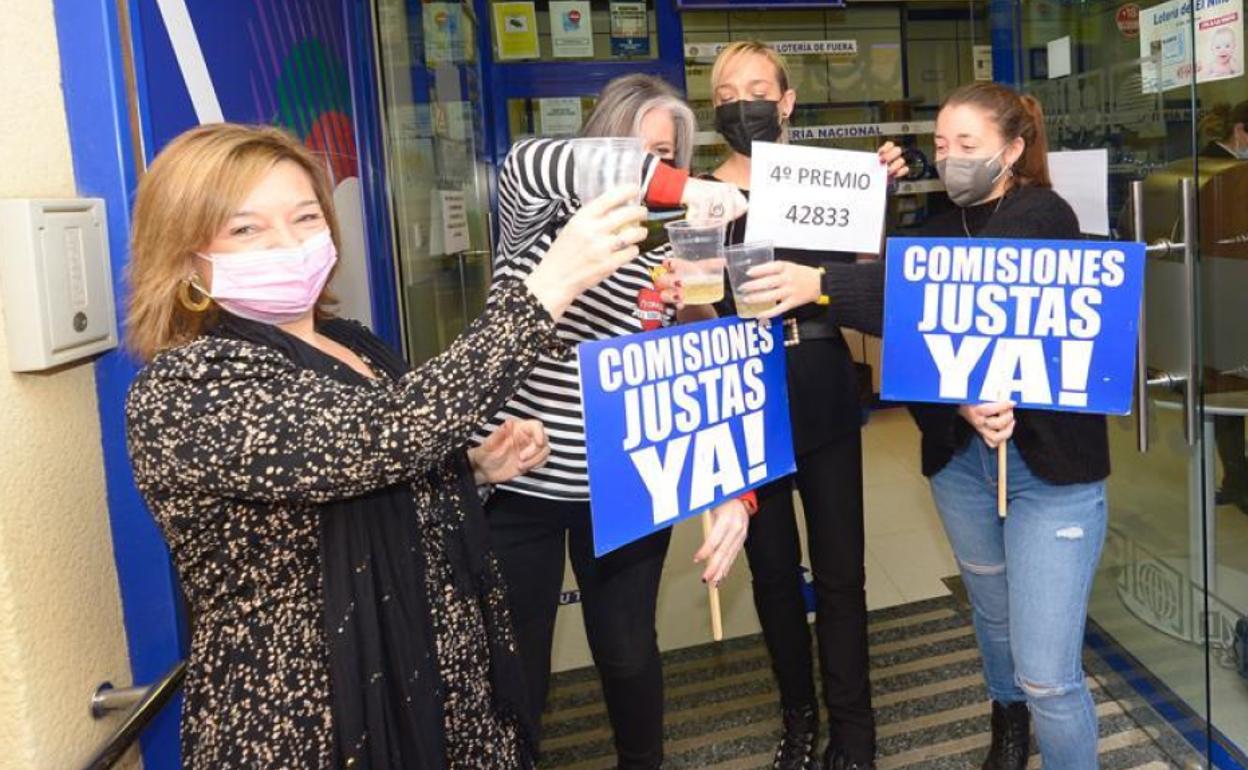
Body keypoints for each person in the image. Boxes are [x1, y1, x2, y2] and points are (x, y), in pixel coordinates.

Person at [123, 123, 649, 769]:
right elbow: (385, 435)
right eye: (245, 229)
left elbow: (384, 462)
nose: (289, 243)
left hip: (441, 693)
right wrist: (546, 289)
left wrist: (476, 470)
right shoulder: (187, 388)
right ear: (183, 254)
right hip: (315, 720)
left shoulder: (349, 339)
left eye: (305, 216)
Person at [480, 73, 754, 770]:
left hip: (624, 492)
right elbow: (532, 160)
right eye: (633, 153)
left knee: (630, 655)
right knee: (518, 666)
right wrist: (682, 186)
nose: (649, 172)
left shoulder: (667, 260)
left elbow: (705, 378)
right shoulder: (533, 223)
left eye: (665, 155)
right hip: (520, 492)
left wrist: (732, 491)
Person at [704, 41, 907, 770]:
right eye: (727, 92)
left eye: (758, 88)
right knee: (771, 570)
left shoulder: (828, 182)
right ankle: (798, 718)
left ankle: (854, 732)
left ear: (787, 101)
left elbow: (875, 293)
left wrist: (874, 199)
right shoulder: (700, 197)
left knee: (842, 568)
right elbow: (685, 311)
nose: (743, 102)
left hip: (818, 379)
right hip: (739, 395)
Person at [904, 82, 1108, 770]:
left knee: (1049, 671)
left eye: (967, 145)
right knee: (992, 614)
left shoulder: (1042, 212)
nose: (949, 158)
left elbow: (982, 284)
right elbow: (914, 350)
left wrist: (819, 282)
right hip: (963, 467)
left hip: (1051, 472)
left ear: (1014, 149)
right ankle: (1007, 720)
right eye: (939, 144)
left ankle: (1040, 720)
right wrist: (957, 400)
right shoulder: (933, 229)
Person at [1199, 101, 1248, 510]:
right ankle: (1238, 479)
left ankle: (1238, 478)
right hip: (1227, 291)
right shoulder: (1211, 171)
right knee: (1229, 391)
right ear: (1242, 132)